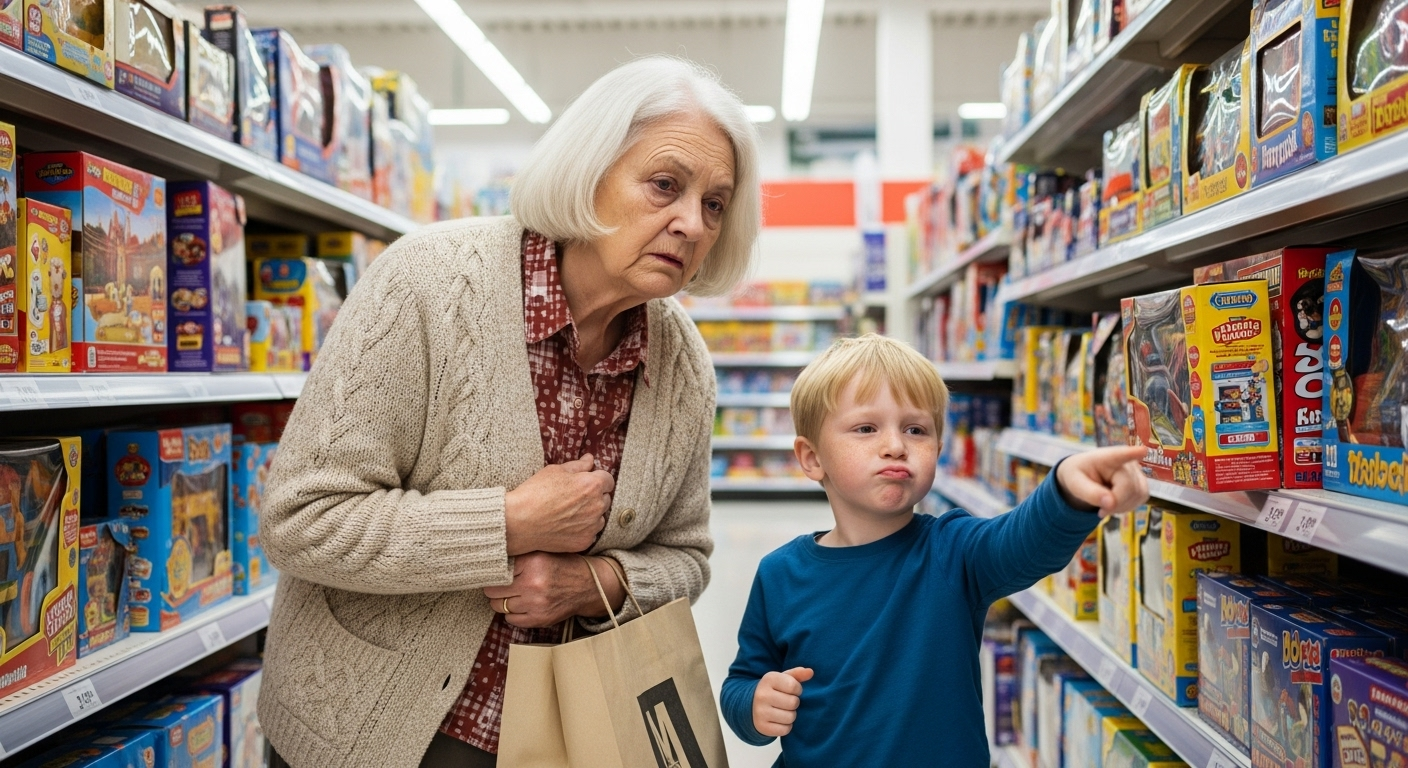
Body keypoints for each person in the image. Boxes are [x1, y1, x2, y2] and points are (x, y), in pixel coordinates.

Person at [257, 55, 761, 768]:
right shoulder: (426, 284)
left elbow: (686, 557)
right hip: (376, 730)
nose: (691, 223)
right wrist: (508, 522)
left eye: (715, 204)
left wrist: (598, 584)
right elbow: (300, 521)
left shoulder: (682, 366)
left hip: (564, 738)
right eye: (665, 186)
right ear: (589, 173)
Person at [721, 334, 1149, 766]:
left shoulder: (954, 551)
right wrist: (756, 706)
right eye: (866, 428)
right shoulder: (779, 574)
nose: (895, 444)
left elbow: (1021, 544)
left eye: (916, 429)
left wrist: (1065, 492)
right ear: (812, 458)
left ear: (938, 450)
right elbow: (740, 682)